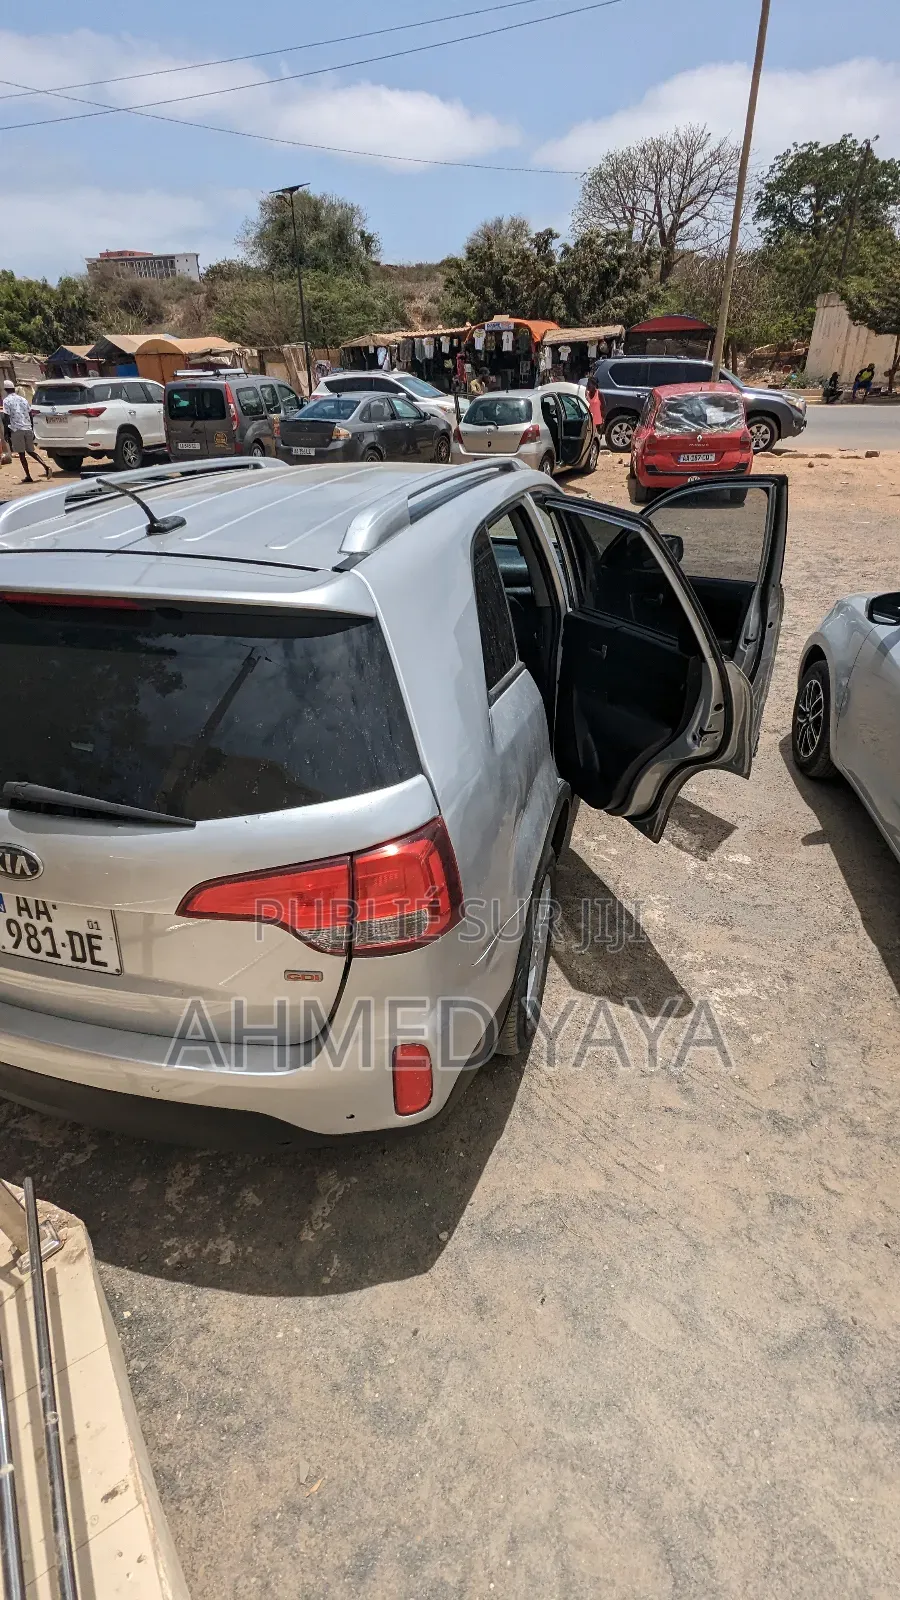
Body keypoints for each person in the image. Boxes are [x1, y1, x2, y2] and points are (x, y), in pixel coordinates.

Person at [2, 381, 50, 483]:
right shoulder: (23, 399)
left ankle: (28, 476)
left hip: (17, 429)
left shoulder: (6, 401)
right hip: (27, 428)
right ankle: (46, 466)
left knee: (21, 454)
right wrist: (32, 428)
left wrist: (6, 432)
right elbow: (30, 414)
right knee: (31, 451)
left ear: (5, 390)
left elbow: (6, 417)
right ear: (13, 389)